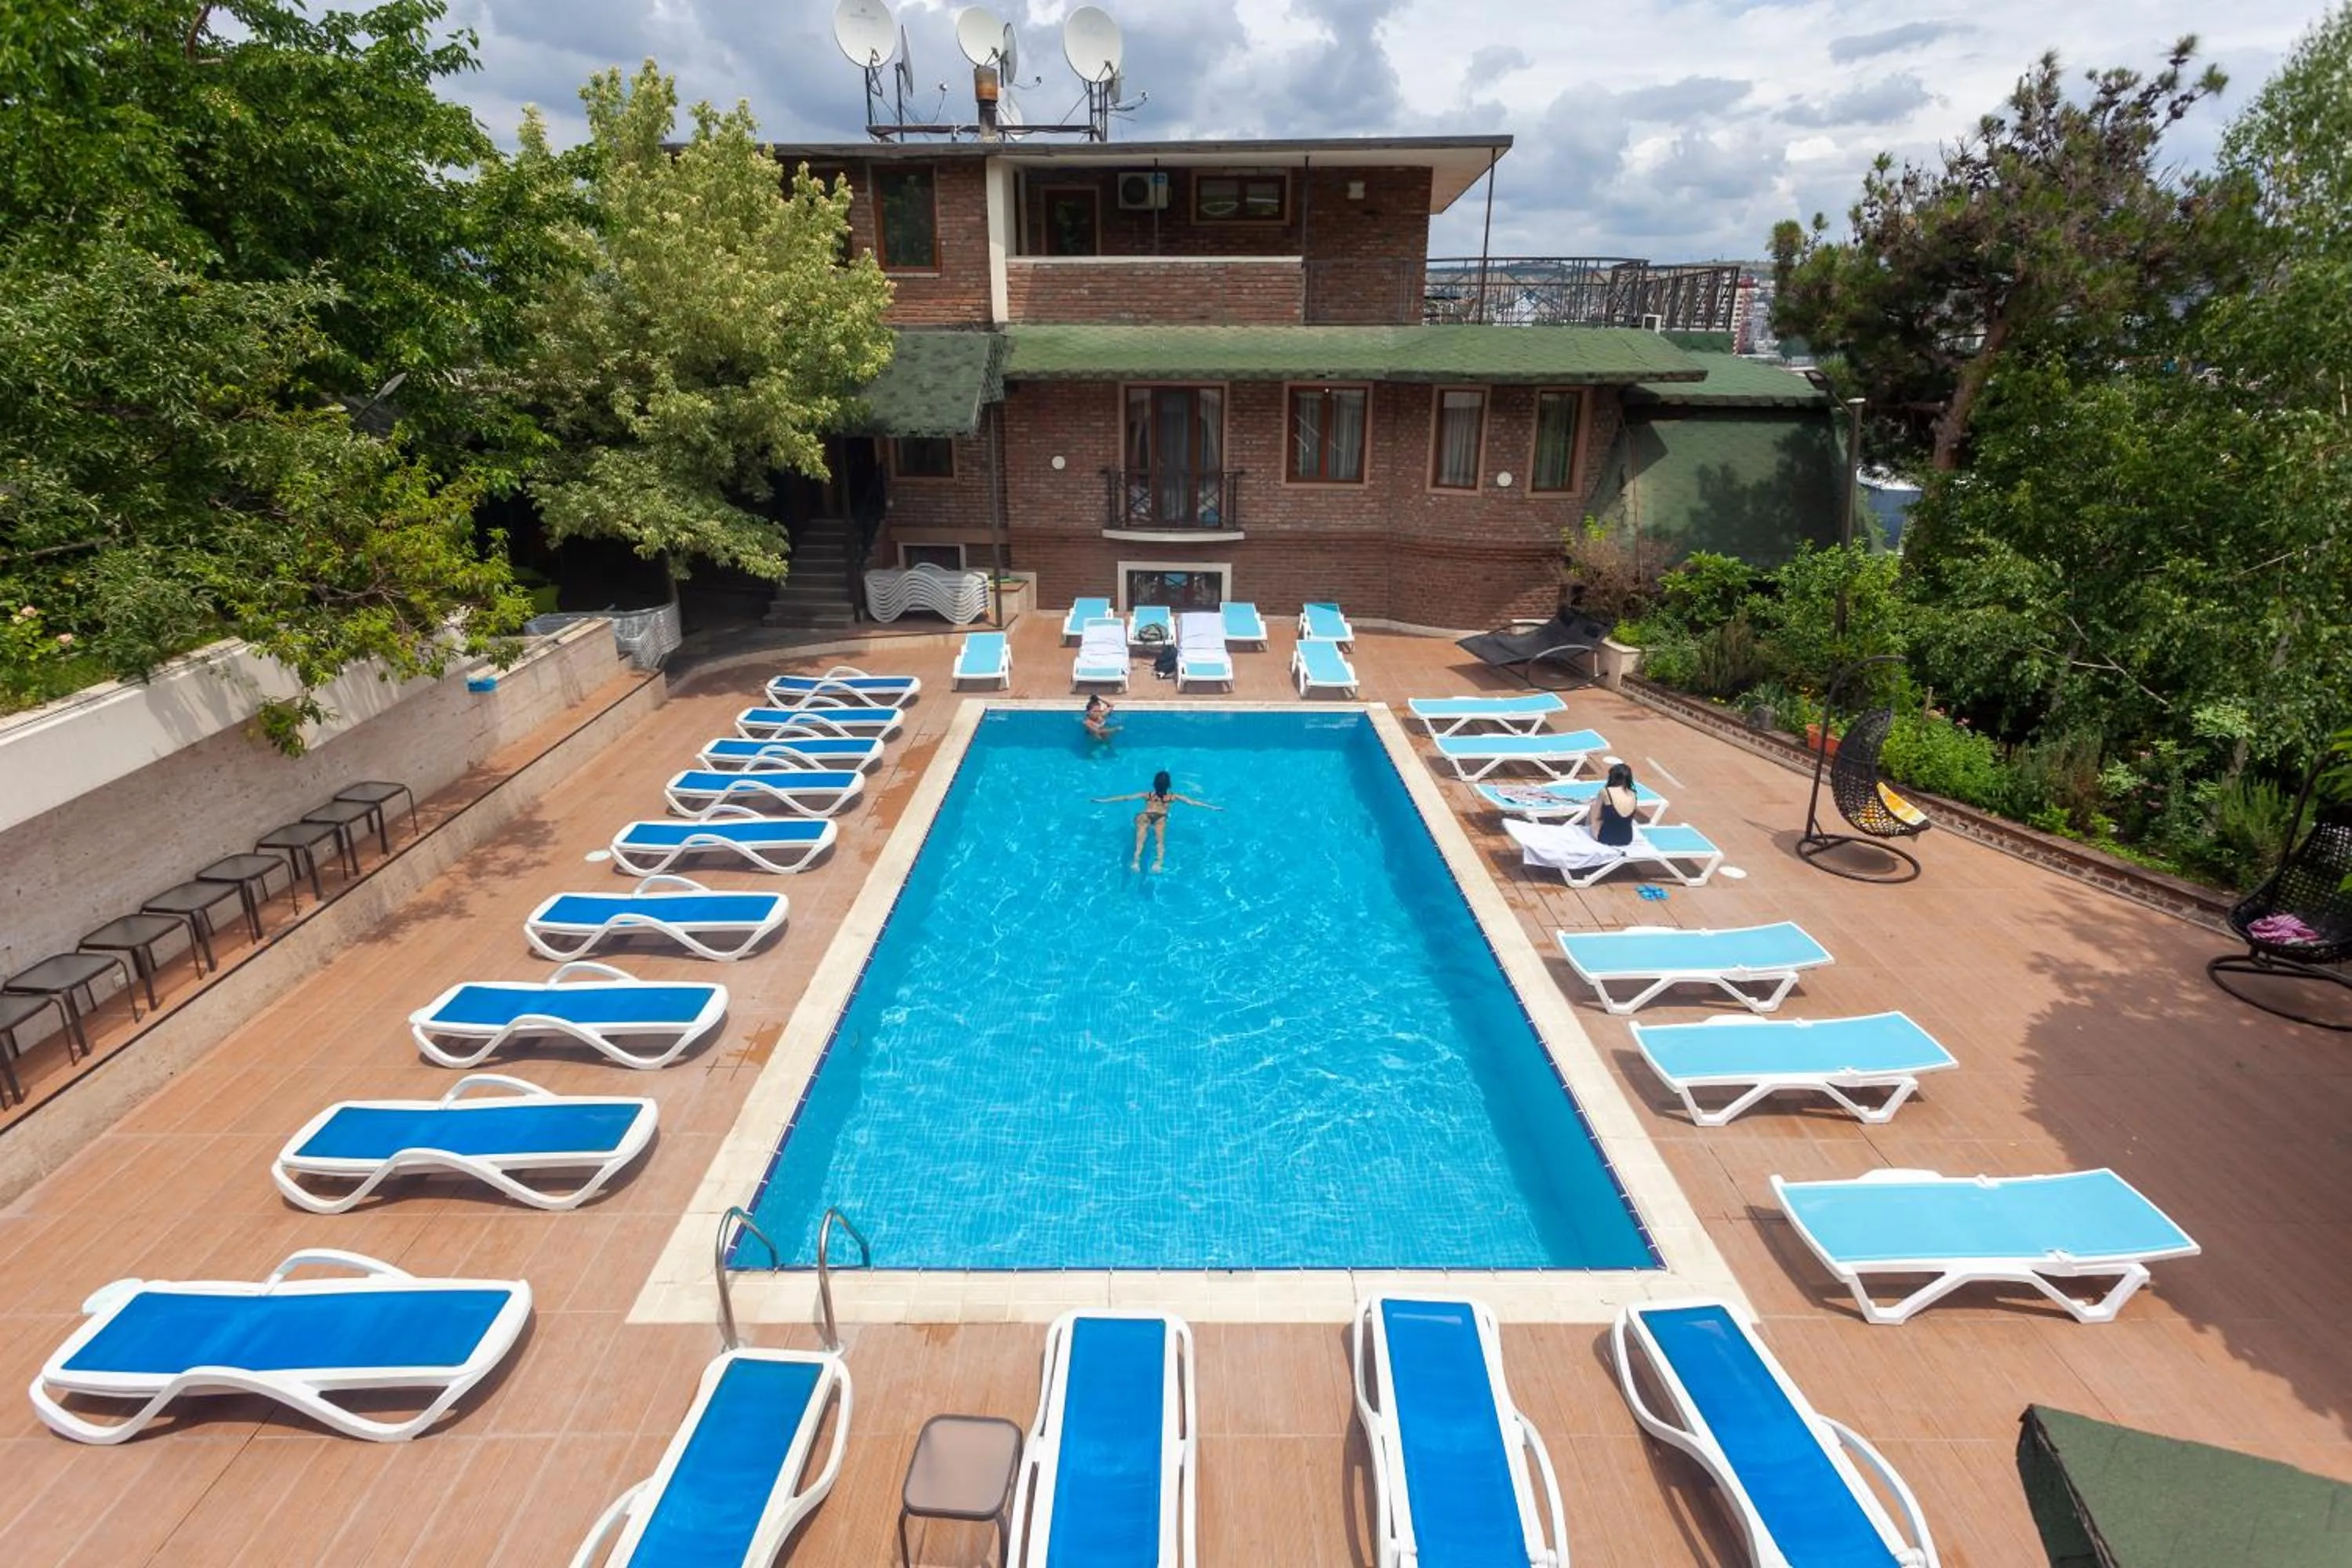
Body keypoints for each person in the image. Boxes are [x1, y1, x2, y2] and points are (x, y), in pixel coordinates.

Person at [1095, 768, 1219, 872]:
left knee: (1140, 841)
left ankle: (1136, 861)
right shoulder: (1173, 796)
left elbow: (1125, 798)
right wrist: (1212, 807)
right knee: (1160, 842)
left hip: (1145, 815)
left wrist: (1103, 800)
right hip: (1160, 817)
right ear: (1169, 784)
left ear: (1154, 783)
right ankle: (1158, 863)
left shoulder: (1147, 795)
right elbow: (1192, 803)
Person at [1584, 761, 1640, 848]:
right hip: (1627, 838)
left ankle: (1585, 830)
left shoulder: (1605, 792)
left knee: (1593, 806)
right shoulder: (1633, 794)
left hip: (1606, 838)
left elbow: (1596, 816)